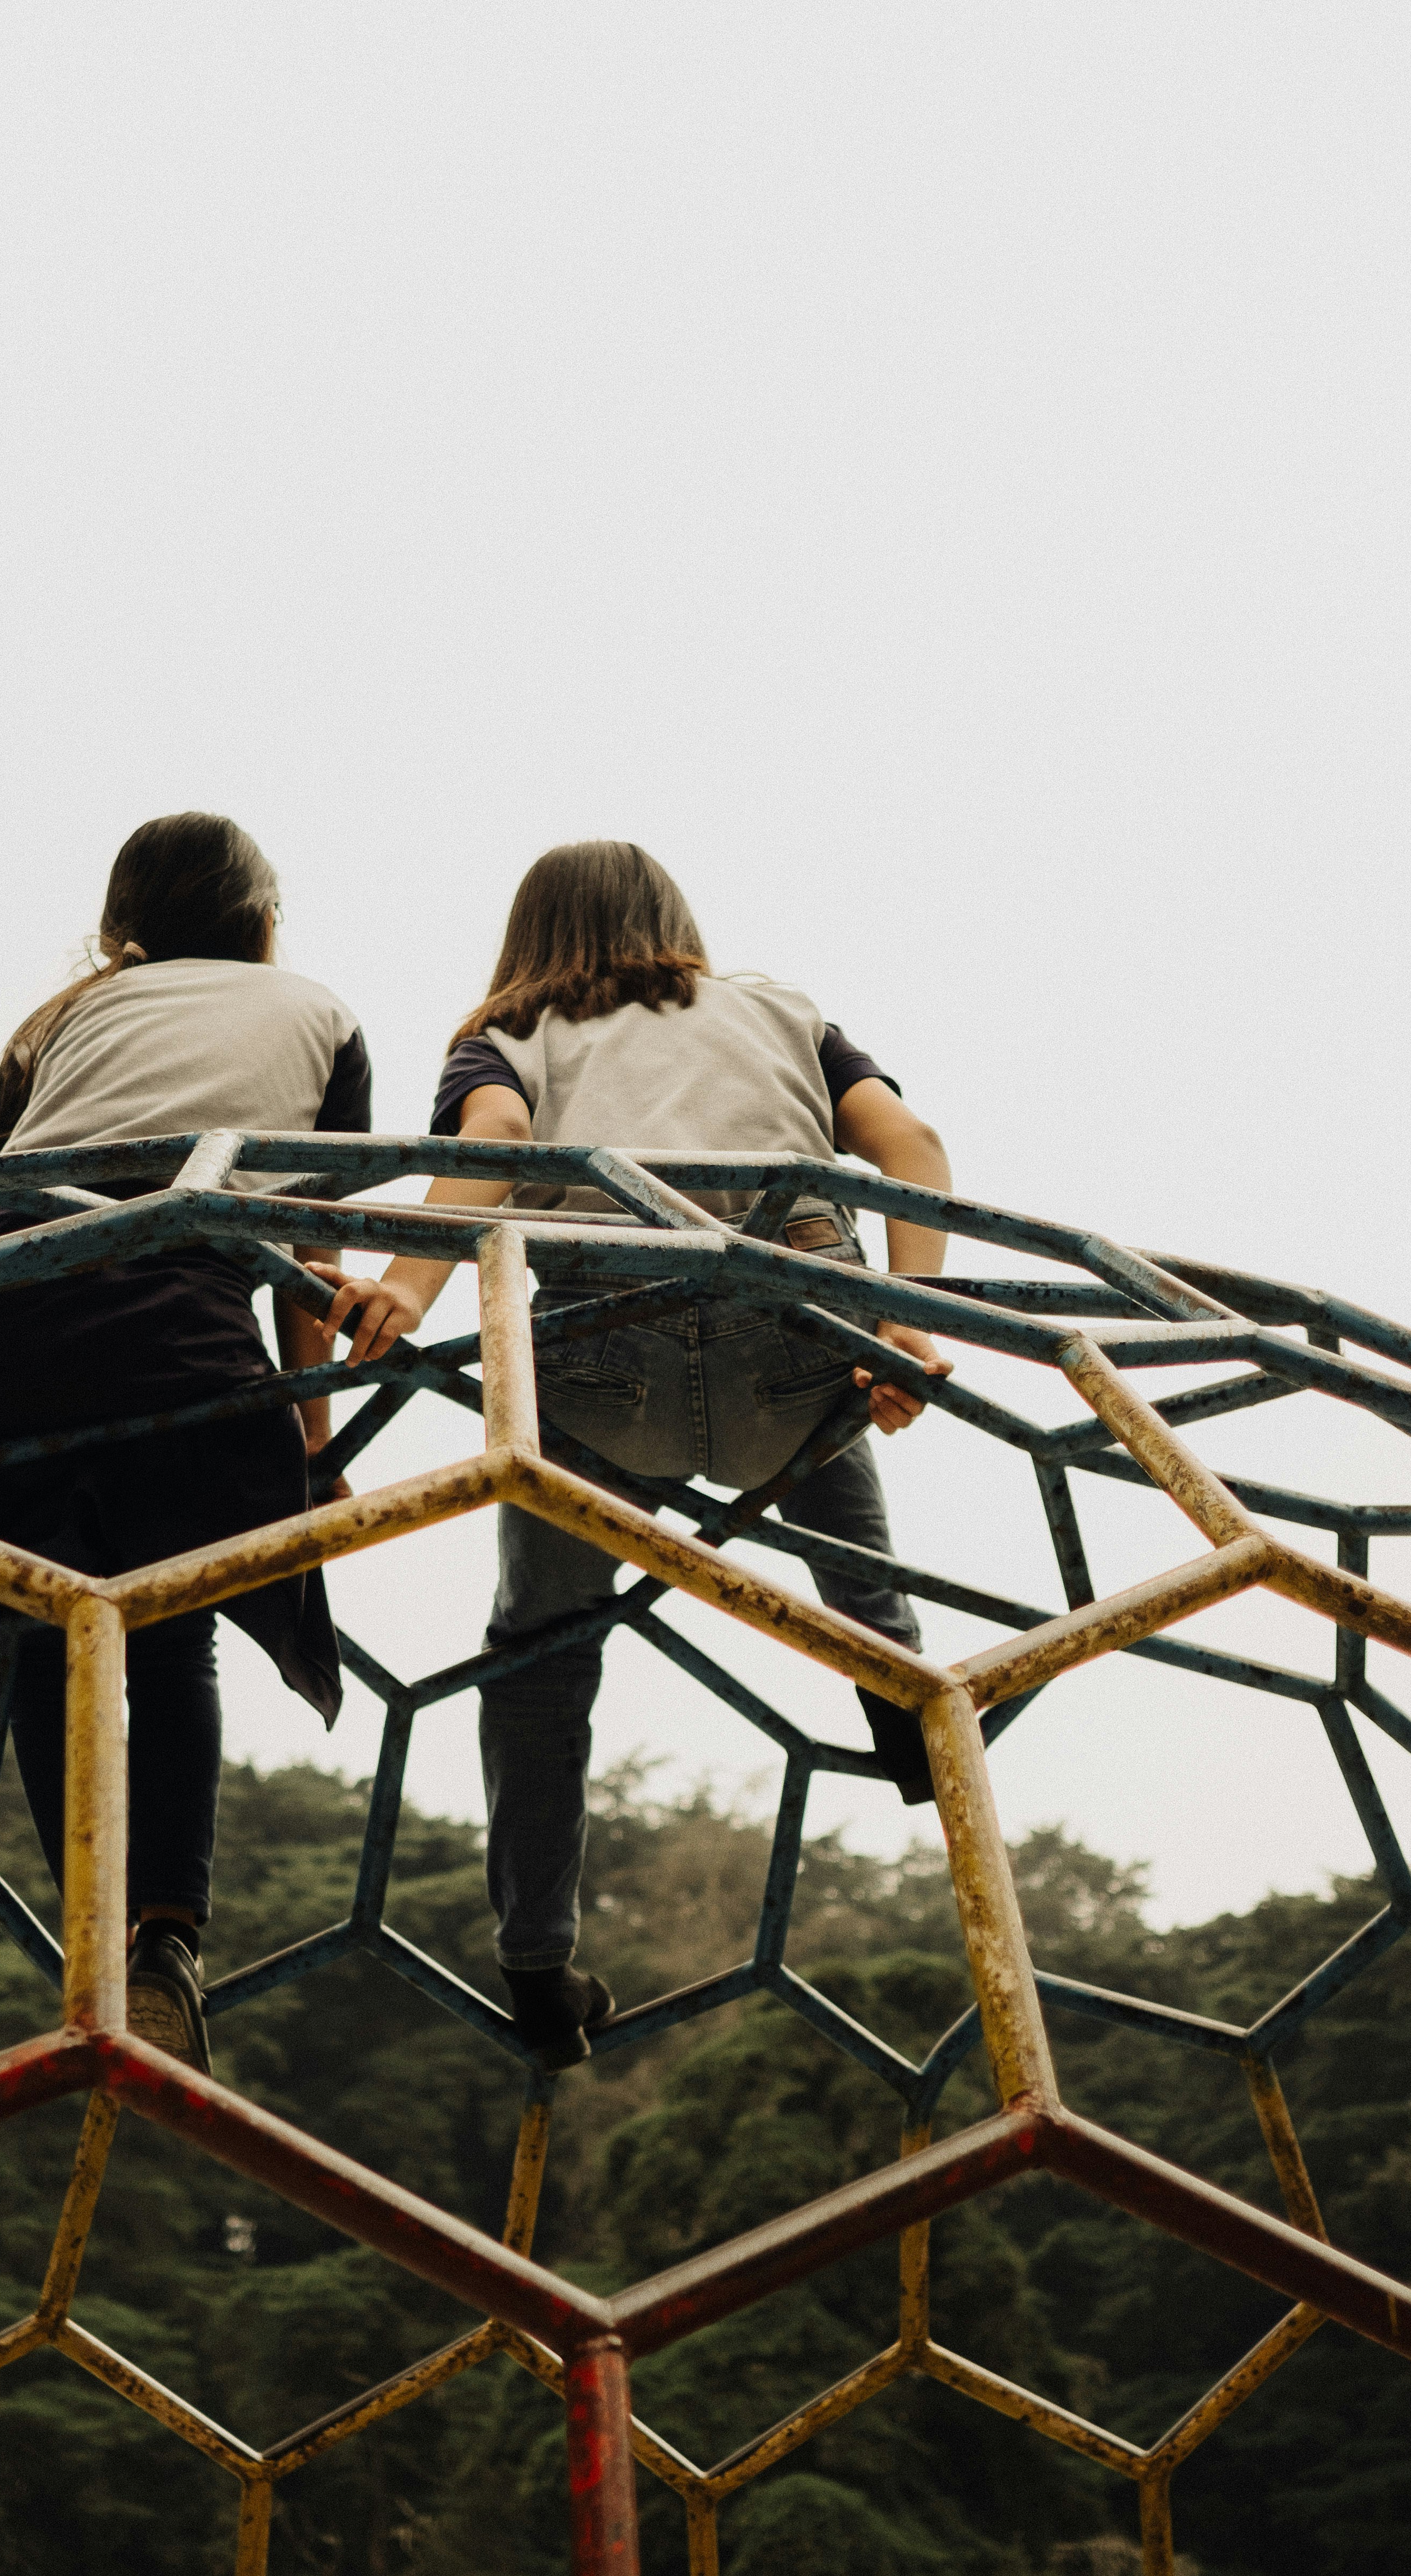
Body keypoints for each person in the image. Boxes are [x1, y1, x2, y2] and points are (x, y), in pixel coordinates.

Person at [329, 841, 958, 2071]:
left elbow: (491, 1155)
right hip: (795, 1354)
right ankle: (907, 1704)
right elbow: (913, 1145)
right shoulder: (784, 1012)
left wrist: (405, 1284)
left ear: (532, 935)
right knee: (841, 1492)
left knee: (541, 1654)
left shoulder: (509, 1034)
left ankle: (536, 1962)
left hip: (603, 1367)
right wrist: (907, 1325)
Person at [0, 814, 364, 2072]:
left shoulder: (54, 1021)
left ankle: (98, 1936)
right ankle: (166, 1941)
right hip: (182, 1321)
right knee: (170, 1629)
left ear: (124, 917)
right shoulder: (319, 1014)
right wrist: (314, 1445)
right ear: (261, 921)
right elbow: (313, 1254)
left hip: (14, 1326)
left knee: (40, 1617)